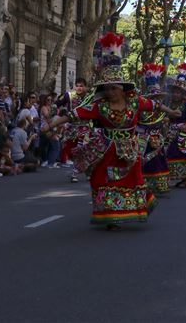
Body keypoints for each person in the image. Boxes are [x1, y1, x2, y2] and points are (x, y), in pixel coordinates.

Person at [49, 32, 156, 229]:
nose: (110, 92)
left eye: (114, 88)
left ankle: (136, 206)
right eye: (107, 89)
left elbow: (154, 105)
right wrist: (51, 124)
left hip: (130, 150)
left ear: (123, 89)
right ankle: (109, 214)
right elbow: (75, 114)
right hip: (105, 148)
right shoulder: (100, 107)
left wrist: (171, 111)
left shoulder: (135, 102)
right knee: (100, 179)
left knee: (132, 180)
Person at [137, 63, 175, 194]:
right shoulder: (142, 109)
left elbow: (164, 122)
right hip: (143, 139)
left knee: (159, 162)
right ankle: (145, 186)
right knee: (146, 163)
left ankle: (159, 185)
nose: (157, 100)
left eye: (158, 98)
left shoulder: (161, 112)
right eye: (155, 98)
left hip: (158, 139)